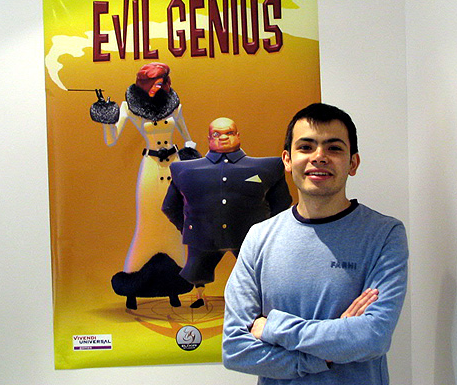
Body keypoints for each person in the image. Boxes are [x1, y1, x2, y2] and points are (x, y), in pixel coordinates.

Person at [222, 103, 408, 384]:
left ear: (353, 163)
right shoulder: (259, 238)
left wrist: (274, 327)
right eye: (306, 147)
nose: (319, 157)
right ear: (287, 160)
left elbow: (373, 337)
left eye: (334, 148)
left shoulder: (384, 234)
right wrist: (324, 356)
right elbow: (236, 350)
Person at [90, 62, 198, 309]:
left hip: (174, 167)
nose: (161, 87)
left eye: (164, 81)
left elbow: (188, 137)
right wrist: (107, 118)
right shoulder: (130, 106)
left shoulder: (174, 104)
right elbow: (111, 139)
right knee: (147, 224)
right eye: (157, 82)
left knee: (176, 224)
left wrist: (190, 153)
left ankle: (175, 286)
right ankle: (133, 286)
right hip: (150, 169)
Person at [162, 117, 292, 308]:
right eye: (217, 134)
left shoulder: (268, 167)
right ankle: (199, 295)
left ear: (238, 135)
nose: (223, 138)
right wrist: (190, 228)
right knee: (195, 273)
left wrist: (265, 232)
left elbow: (282, 203)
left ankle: (257, 302)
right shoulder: (183, 170)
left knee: (260, 276)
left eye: (229, 133)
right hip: (203, 240)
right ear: (209, 138)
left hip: (251, 240)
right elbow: (169, 207)